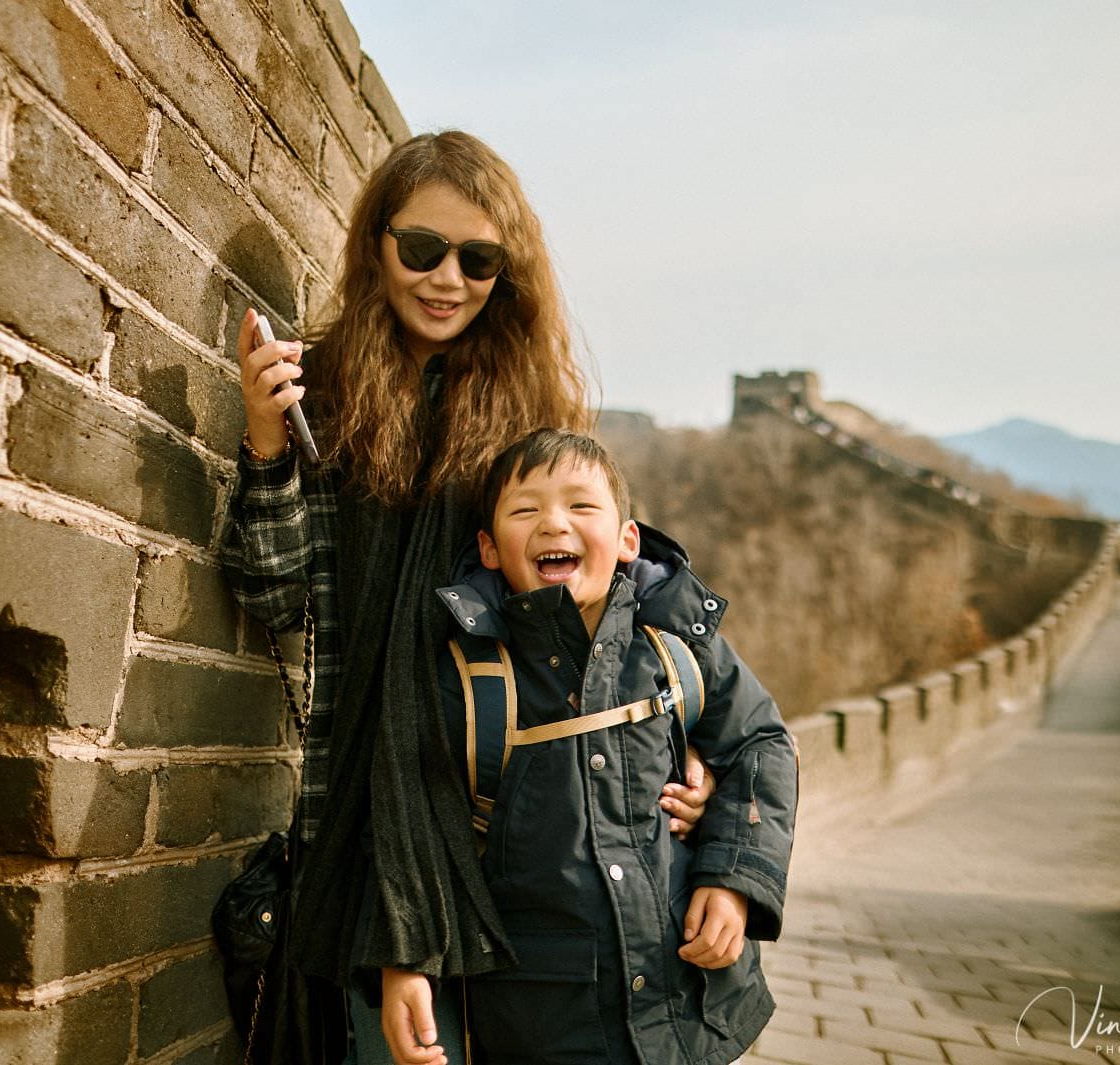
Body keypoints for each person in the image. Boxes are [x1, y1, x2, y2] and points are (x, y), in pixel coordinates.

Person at [219, 131, 716, 1064]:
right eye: (423, 249)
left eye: (479, 259)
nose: (448, 277)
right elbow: (275, 592)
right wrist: (265, 443)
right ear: (378, 243)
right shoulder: (317, 391)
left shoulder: (527, 419)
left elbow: (599, 614)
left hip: (520, 813)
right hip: (367, 810)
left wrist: (685, 752)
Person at [390, 428, 798, 1064]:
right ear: (490, 549)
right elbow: (415, 825)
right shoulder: (469, 679)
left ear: (628, 539)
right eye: (527, 510)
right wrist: (405, 961)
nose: (555, 523)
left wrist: (735, 881)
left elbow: (760, 744)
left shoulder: (677, 646)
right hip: (544, 1014)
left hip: (687, 999)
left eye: (581, 506)